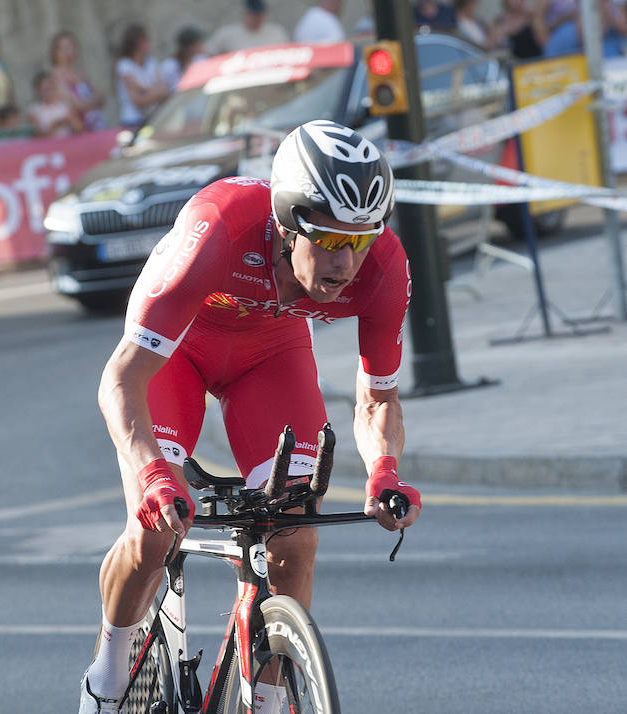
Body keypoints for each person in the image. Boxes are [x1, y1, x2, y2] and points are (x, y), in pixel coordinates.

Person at [77, 120, 422, 714]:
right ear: (289, 226)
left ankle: (264, 701)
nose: (347, 261)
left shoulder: (383, 267)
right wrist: (154, 473)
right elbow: (121, 379)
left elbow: (378, 400)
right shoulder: (223, 226)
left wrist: (383, 471)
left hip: (270, 353)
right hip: (177, 349)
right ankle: (107, 680)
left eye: (361, 239)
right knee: (155, 528)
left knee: (295, 537)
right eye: (332, 241)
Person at [113, 23, 170, 129]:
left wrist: (147, 92)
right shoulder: (124, 65)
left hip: (154, 118)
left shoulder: (152, 62)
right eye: (144, 40)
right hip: (134, 122)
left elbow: (164, 90)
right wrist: (155, 92)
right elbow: (137, 100)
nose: (148, 43)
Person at [49, 30, 106, 132]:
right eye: (62, 48)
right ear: (55, 53)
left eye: (69, 47)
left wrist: (90, 102)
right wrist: (93, 102)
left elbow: (101, 98)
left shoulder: (80, 73)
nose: (66, 51)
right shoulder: (56, 76)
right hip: (76, 130)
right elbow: (76, 104)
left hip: (94, 125)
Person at [206, 0, 290, 55]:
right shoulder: (226, 34)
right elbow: (208, 53)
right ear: (244, 13)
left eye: (259, 15)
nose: (256, 19)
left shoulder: (277, 33)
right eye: (252, 15)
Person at [27, 70, 83, 137]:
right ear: (38, 91)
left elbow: (80, 129)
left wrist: (70, 122)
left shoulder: (64, 105)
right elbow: (37, 136)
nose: (49, 92)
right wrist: (55, 126)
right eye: (45, 89)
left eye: (51, 88)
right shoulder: (34, 110)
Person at [160, 26, 207, 91]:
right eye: (197, 44)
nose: (201, 46)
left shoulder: (200, 59)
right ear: (189, 47)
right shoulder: (169, 66)